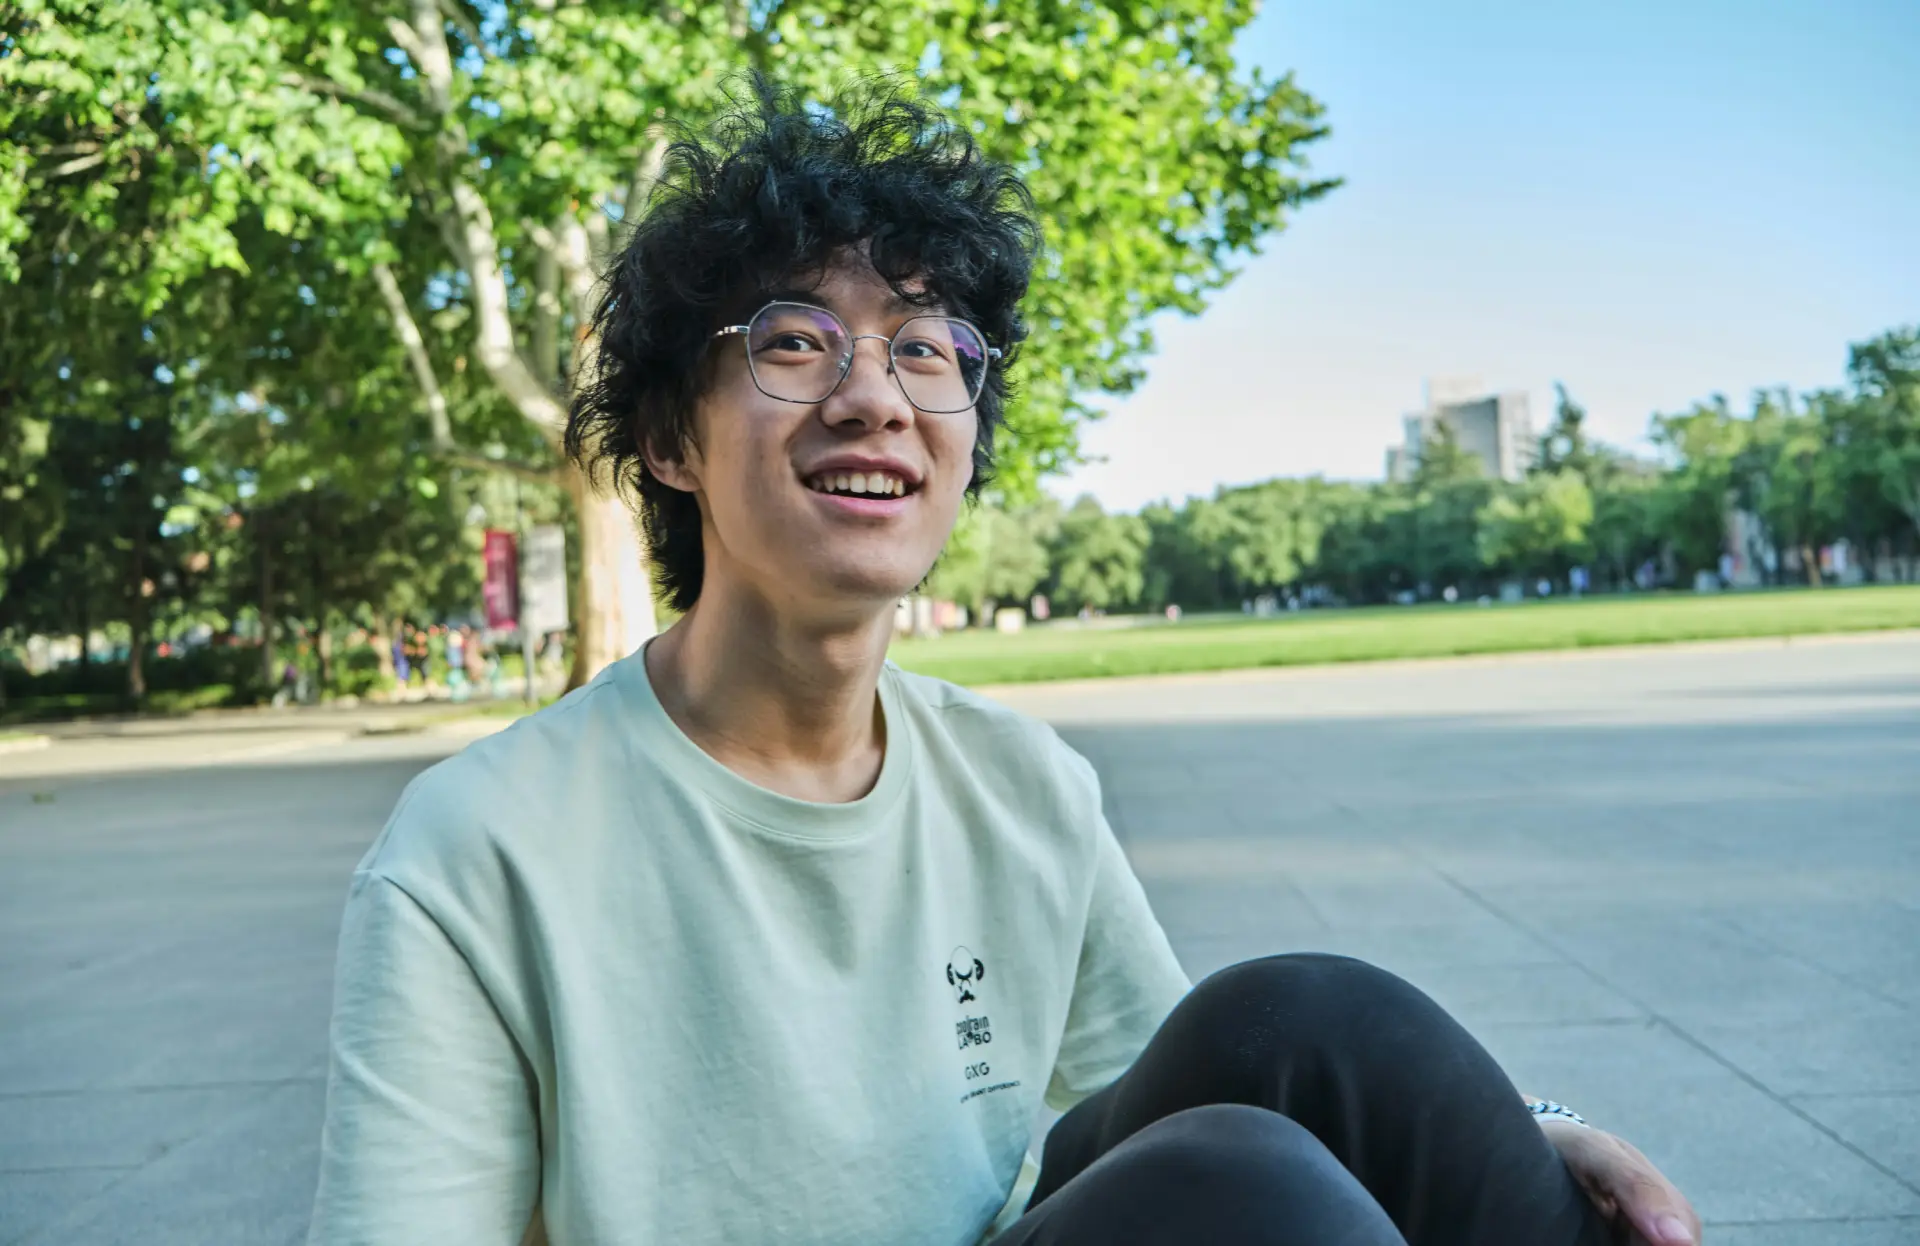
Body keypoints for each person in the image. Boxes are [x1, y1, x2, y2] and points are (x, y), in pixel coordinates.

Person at [307, 80, 1699, 1246]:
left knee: (1314, 1018)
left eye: (927, 349)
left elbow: (1230, 1085)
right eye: (796, 341)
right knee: (1245, 1189)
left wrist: (1534, 1127)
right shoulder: (479, 850)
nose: (875, 393)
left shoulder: (1020, 783)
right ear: (672, 442)